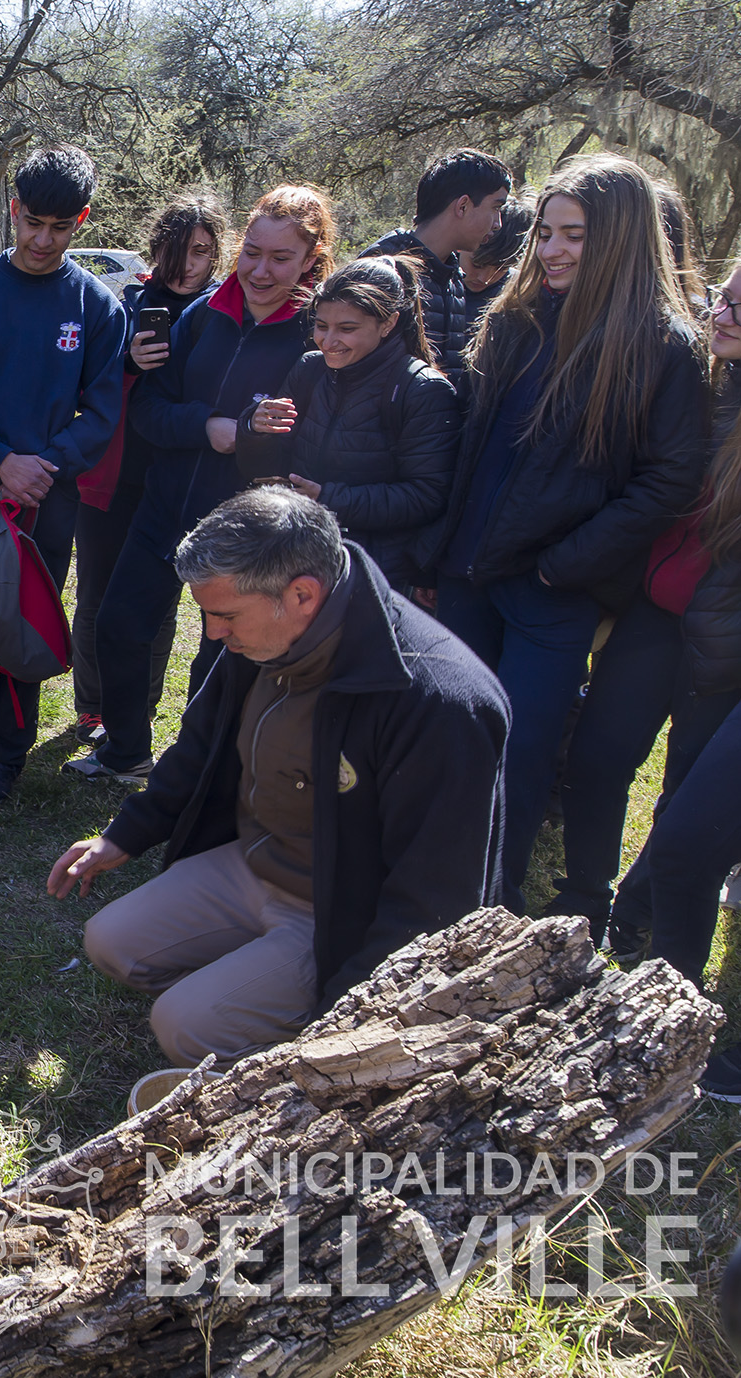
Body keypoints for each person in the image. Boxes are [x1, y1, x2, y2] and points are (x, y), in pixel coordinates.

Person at [50, 488, 508, 1070]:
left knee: (183, 1026)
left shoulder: (438, 702)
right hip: (256, 860)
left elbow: (433, 899)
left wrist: (354, 1016)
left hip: (344, 910)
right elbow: (199, 749)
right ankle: (254, 978)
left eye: (225, 616)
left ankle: (280, 1012)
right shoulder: (268, 634)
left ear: (302, 594)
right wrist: (124, 835)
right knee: (110, 942)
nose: (211, 634)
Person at [414, 154, 708, 914]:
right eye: (545, 232)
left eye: (573, 235)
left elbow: (667, 482)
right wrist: (440, 553)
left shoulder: (661, 345)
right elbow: (475, 445)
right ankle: (421, 896)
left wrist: (562, 565)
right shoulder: (513, 318)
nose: (550, 250)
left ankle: (490, 912)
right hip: (467, 575)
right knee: (448, 741)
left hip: (550, 595)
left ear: (619, 238)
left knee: (519, 757)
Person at [73, 185, 336, 784]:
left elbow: (313, 442)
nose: (260, 271)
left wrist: (249, 437)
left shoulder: (315, 336)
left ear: (311, 259)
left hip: (248, 525)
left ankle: (196, 769)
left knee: (222, 654)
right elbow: (150, 410)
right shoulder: (204, 313)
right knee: (119, 624)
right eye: (252, 253)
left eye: (281, 258)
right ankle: (126, 752)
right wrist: (210, 427)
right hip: (166, 502)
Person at [553, 260, 741, 987]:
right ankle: (590, 897)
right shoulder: (698, 382)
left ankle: (642, 920)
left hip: (721, 641)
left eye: (739, 310)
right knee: (597, 757)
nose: (721, 315)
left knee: (688, 796)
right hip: (653, 614)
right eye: (723, 299)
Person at [0, 145, 125, 803]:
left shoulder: (97, 307)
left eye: (59, 227)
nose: (42, 240)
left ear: (81, 221)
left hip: (46, 498)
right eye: (33, 222)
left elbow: (101, 412)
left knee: (23, 618)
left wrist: (44, 466)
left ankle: (9, 754)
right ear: (13, 210)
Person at [68, 192, 227, 744]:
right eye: (177, 250)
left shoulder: (223, 315)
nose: (187, 265)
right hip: (113, 479)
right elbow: (87, 385)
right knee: (96, 596)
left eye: (201, 252)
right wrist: (129, 363)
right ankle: (92, 707)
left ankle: (136, 709)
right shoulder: (123, 305)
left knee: (160, 605)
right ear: (157, 248)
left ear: (216, 254)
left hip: (181, 482)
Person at [237, 255, 459, 592]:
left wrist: (329, 498)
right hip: (297, 554)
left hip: (371, 572)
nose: (328, 342)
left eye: (347, 329)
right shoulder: (310, 368)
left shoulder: (421, 390)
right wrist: (254, 430)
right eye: (321, 326)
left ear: (388, 323)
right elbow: (263, 468)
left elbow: (426, 496)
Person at [365, 148, 512, 391]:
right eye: (496, 208)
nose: (498, 224)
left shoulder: (453, 276)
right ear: (463, 206)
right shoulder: (381, 270)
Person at [463, 195, 534, 309]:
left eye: (500, 269)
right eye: (477, 265)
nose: (484, 279)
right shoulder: (432, 278)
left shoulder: (520, 296)